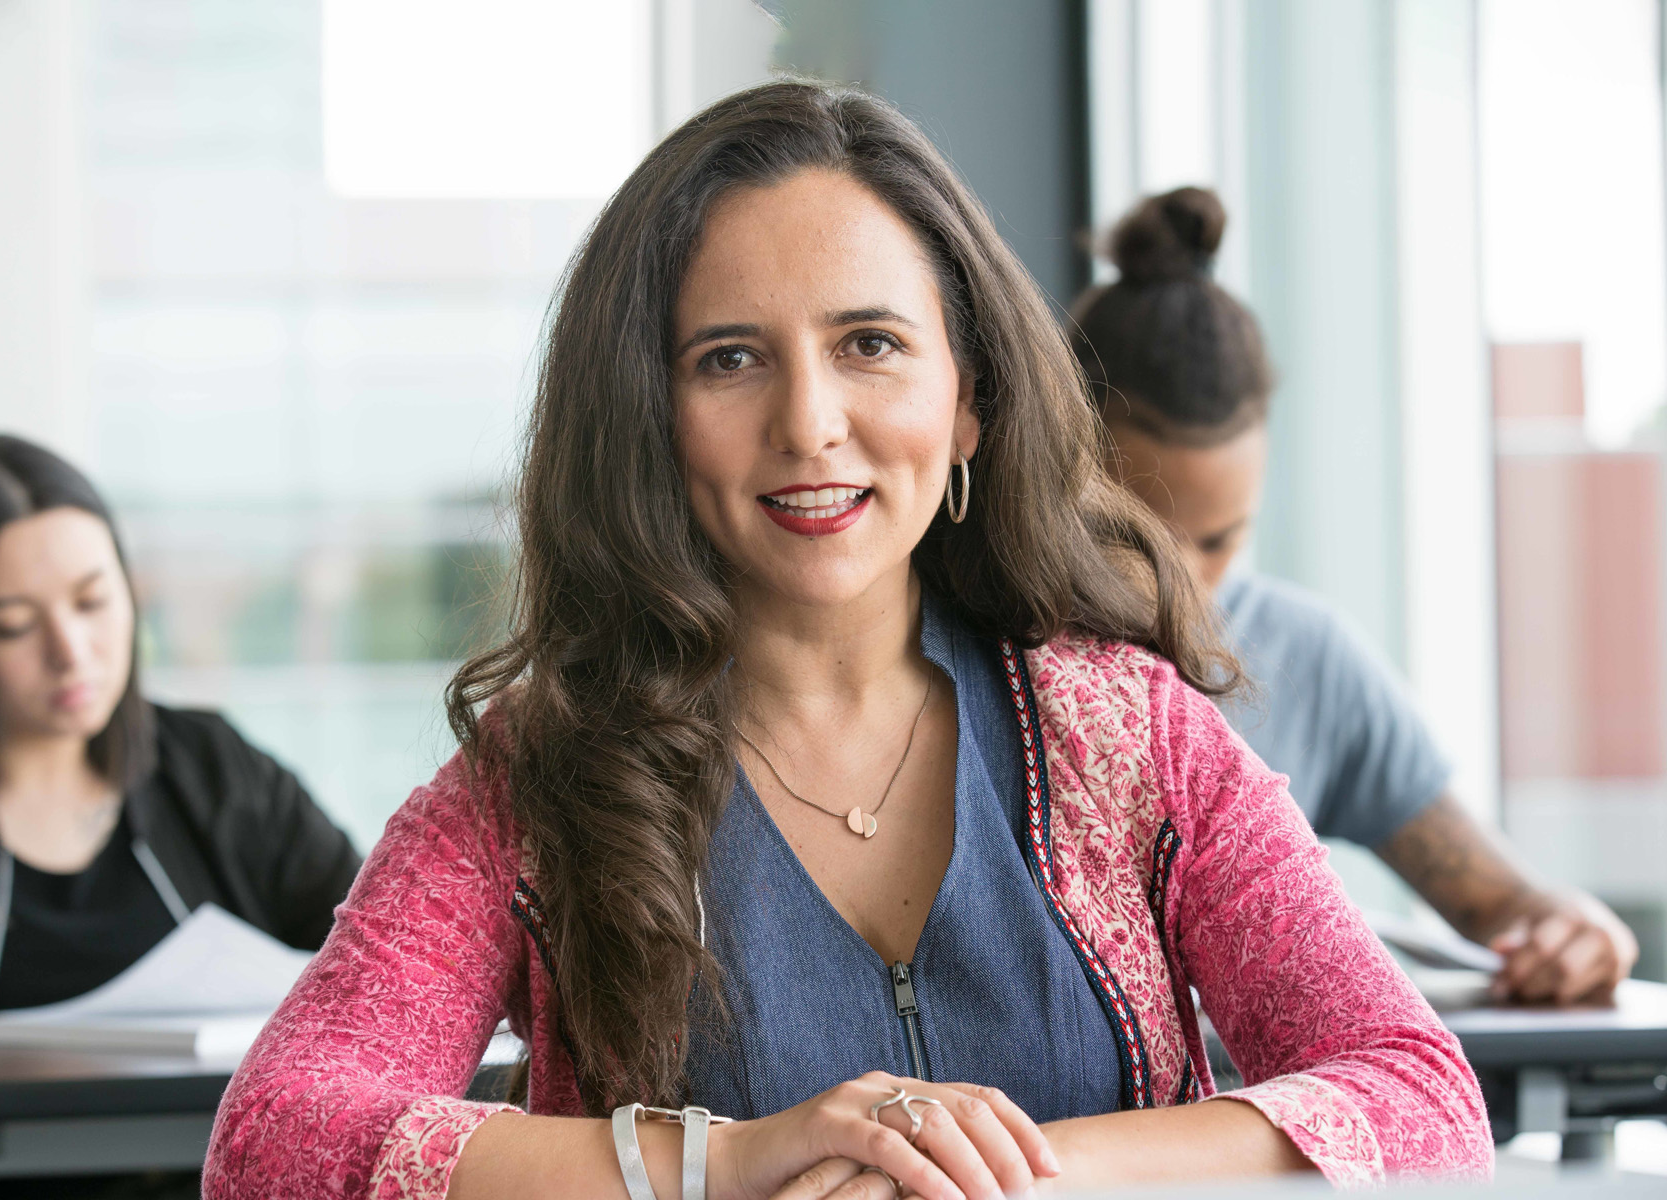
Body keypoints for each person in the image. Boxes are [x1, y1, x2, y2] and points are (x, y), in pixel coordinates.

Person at [206, 83, 1490, 1200]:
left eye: (868, 343)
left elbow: (1423, 1105)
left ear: (968, 397)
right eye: (728, 360)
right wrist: (720, 1163)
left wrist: (1007, 1170)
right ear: (647, 418)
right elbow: (274, 1145)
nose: (810, 422)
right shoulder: (541, 774)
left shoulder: (1128, 730)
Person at [1071, 187, 1638, 1008]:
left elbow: (1502, 904)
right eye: (1138, 537)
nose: (1184, 586)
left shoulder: (1303, 655)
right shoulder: (964, 656)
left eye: (1223, 538)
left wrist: (1571, 926)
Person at [0, 434, 365, 1044]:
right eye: (13, 626)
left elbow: (389, 964)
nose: (71, 653)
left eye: (92, 601)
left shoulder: (209, 764)